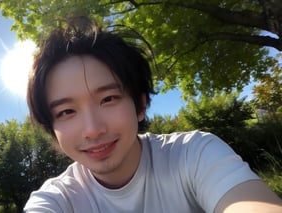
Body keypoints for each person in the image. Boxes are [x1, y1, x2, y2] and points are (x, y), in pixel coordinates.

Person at [23, 16, 282, 213]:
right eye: (66, 111)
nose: (93, 129)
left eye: (108, 99)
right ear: (52, 127)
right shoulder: (55, 200)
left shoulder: (194, 153)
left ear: (141, 104)